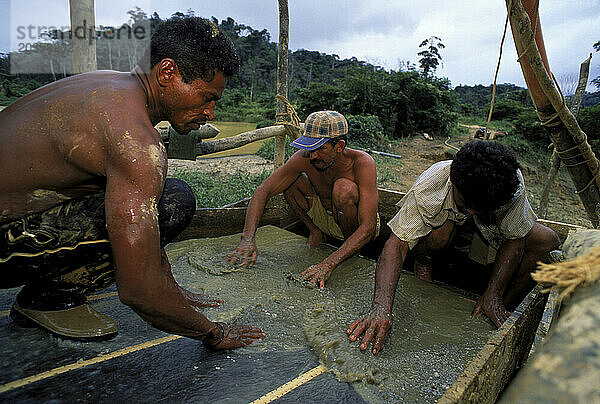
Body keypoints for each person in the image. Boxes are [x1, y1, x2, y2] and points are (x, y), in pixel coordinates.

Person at [0, 17, 264, 347]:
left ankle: (44, 294)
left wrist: (170, 286)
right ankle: (49, 299)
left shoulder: (109, 85)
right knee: (172, 205)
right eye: (207, 97)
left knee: (173, 198)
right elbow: (139, 292)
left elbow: (145, 224)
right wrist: (214, 332)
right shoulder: (134, 140)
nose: (209, 112)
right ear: (167, 73)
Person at [347, 141, 560, 355]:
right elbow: (396, 244)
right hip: (445, 224)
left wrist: (493, 293)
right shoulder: (432, 185)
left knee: (547, 240)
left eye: (478, 208)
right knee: (439, 232)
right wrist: (381, 308)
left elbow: (515, 238)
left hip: (488, 231)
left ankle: (497, 304)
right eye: (465, 203)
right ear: (453, 183)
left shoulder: (510, 187)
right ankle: (424, 263)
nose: (470, 211)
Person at [227, 111, 380, 288]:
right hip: (325, 217)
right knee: (291, 182)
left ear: (339, 146)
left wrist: (327, 263)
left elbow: (368, 227)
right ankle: (316, 232)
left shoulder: (362, 162)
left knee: (343, 189)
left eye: (320, 148)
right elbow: (263, 191)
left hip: (356, 226)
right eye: (310, 148)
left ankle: (352, 250)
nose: (313, 155)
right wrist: (247, 238)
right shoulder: (304, 157)